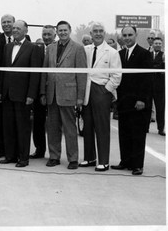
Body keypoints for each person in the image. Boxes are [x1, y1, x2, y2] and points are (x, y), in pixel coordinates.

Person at [40, 20, 87, 170]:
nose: (62, 33)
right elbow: (44, 71)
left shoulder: (78, 48)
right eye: (60, 31)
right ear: (56, 32)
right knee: (52, 128)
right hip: (51, 94)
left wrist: (80, 96)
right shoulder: (51, 48)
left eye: (65, 30)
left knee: (70, 129)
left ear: (70, 30)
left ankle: (73, 159)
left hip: (68, 93)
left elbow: (82, 75)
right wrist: (43, 91)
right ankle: (54, 156)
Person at [0, 20, 41, 167]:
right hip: (7, 93)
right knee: (8, 126)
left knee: (22, 127)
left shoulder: (33, 48)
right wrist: (0, 91)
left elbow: (35, 75)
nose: (14, 30)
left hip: (23, 95)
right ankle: (10, 156)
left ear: (26, 31)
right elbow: (3, 71)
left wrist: (31, 95)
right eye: (14, 28)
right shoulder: (7, 47)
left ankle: (23, 158)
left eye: (18, 28)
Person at [79, 22, 122, 171]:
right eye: (95, 31)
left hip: (102, 91)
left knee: (102, 127)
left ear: (104, 34)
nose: (98, 33)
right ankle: (89, 158)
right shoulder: (85, 50)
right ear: (90, 34)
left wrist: (106, 90)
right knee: (88, 125)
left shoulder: (112, 52)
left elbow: (117, 75)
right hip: (87, 90)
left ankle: (103, 161)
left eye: (100, 31)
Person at [112, 26, 152, 175]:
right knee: (124, 133)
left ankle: (137, 165)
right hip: (123, 101)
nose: (127, 37)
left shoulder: (144, 54)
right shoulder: (120, 54)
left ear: (136, 35)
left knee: (138, 134)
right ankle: (125, 161)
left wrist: (142, 99)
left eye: (130, 35)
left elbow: (147, 79)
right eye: (125, 35)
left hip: (138, 103)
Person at [30, 25, 56, 159]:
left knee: (53, 124)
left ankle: (54, 153)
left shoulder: (58, 50)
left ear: (54, 36)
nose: (46, 37)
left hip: (54, 92)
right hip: (39, 92)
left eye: (49, 35)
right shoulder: (37, 49)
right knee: (38, 122)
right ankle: (39, 150)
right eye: (44, 34)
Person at [0, 14, 15, 158]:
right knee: (0, 119)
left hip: (17, 87)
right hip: (0, 85)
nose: (6, 24)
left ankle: (13, 149)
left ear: (14, 23)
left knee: (14, 119)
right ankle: (0, 149)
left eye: (9, 22)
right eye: (3, 22)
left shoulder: (26, 39)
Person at [151, 37, 165, 136]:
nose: (158, 45)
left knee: (160, 108)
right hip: (149, 85)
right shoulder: (148, 55)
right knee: (147, 108)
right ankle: (145, 128)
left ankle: (160, 128)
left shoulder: (164, 55)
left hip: (160, 87)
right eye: (156, 43)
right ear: (153, 44)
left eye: (159, 43)